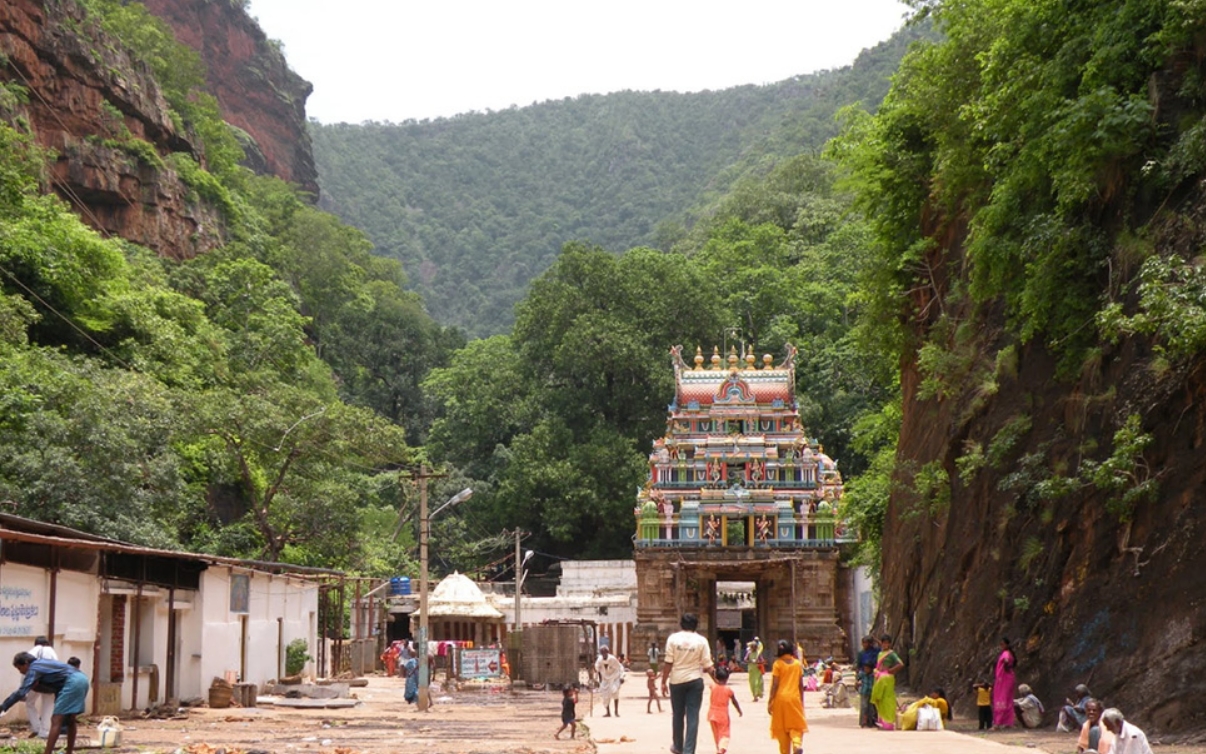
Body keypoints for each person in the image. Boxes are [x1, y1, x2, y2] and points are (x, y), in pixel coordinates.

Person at [0, 652, 90, 754]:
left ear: (26, 663)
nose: (21, 673)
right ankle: (69, 752)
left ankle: (47, 752)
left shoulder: (34, 668)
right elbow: (53, 686)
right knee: (70, 719)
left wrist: (4, 706)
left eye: (20, 668)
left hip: (72, 682)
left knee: (56, 720)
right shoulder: (43, 664)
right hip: (82, 678)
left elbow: (21, 692)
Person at [661, 612, 714, 754]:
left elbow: (668, 663)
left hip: (676, 681)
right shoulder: (702, 641)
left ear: (681, 624)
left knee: (677, 714)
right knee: (693, 716)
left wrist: (663, 681)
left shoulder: (673, 639)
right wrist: (719, 682)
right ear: (696, 625)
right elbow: (708, 665)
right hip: (695, 681)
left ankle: (678, 746)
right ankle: (689, 750)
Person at [767, 640, 807, 754]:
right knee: (796, 726)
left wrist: (770, 701)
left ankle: (785, 751)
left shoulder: (777, 664)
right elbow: (800, 685)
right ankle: (796, 744)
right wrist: (802, 702)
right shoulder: (797, 664)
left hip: (780, 700)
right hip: (794, 699)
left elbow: (775, 685)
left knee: (782, 729)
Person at [25, 636, 57, 739]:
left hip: (34, 682)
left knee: (29, 702)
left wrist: (23, 689)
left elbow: (25, 670)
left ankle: (36, 728)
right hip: (50, 682)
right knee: (47, 705)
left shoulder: (32, 651)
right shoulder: (51, 651)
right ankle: (44, 731)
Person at [870, 634, 904, 730]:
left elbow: (901, 664)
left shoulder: (891, 654)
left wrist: (890, 671)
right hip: (879, 677)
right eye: (883, 643)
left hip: (886, 678)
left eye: (886, 643)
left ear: (889, 644)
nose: (885, 645)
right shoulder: (880, 653)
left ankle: (889, 722)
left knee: (887, 699)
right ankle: (882, 721)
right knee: (878, 699)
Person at [707, 666, 742, 754]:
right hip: (722, 715)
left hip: (712, 714)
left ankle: (718, 748)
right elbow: (734, 701)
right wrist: (739, 710)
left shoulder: (713, 686)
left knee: (716, 734)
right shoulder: (728, 690)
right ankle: (721, 749)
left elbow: (713, 682)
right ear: (727, 678)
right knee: (724, 734)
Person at [993, 637, 1017, 728]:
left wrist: (1007, 664)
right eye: (1000, 644)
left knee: (1001, 699)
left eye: (1003, 644)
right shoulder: (1008, 653)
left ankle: (998, 723)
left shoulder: (1006, 653)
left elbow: (1006, 660)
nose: (1001, 646)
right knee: (1007, 699)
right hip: (1006, 679)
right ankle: (1008, 722)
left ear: (1007, 645)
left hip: (1005, 679)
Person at [595, 646, 625, 717]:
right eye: (602, 652)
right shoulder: (599, 659)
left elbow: (620, 667)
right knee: (605, 696)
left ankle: (616, 711)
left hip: (614, 678)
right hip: (605, 679)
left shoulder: (613, 659)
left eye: (605, 652)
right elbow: (597, 668)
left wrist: (621, 677)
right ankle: (608, 712)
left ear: (607, 652)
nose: (603, 654)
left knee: (615, 693)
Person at [857, 662, 876, 727]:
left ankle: (870, 722)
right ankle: (862, 722)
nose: (866, 670)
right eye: (865, 668)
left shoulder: (873, 675)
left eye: (867, 668)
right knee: (864, 707)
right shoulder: (862, 674)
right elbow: (857, 681)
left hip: (871, 692)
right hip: (864, 692)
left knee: (870, 708)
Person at [746, 637, 765, 702]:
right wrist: (750, 661)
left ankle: (756, 696)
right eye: (752, 647)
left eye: (755, 647)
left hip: (757, 670)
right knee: (752, 683)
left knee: (757, 683)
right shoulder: (749, 653)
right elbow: (745, 659)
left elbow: (762, 661)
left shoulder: (758, 654)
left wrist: (757, 662)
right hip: (751, 670)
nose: (753, 648)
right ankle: (754, 694)